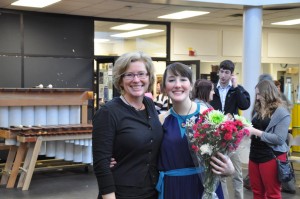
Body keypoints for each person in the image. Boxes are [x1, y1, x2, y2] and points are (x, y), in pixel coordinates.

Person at [157, 62, 235, 199]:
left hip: (204, 187)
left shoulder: (210, 116)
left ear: (191, 84)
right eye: (171, 80)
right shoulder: (160, 121)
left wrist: (229, 169)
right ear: (164, 87)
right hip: (172, 188)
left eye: (183, 79)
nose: (177, 84)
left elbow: (222, 154)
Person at [92, 51, 164, 199]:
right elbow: (101, 165)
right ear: (120, 80)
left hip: (152, 190)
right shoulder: (108, 112)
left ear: (149, 78)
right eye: (129, 75)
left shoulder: (149, 105)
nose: (136, 80)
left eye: (141, 74)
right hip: (122, 193)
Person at [210, 60, 251, 199]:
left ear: (231, 74)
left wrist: (235, 86)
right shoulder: (212, 89)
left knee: (237, 174)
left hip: (233, 137)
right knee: (219, 173)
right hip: (215, 137)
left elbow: (244, 105)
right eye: (221, 71)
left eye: (226, 72)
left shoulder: (236, 89)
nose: (223, 75)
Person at [246, 79, 291, 199]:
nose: (256, 98)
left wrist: (255, 132)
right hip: (255, 154)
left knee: (272, 194)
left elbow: (279, 139)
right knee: (257, 192)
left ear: (267, 93)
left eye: (258, 94)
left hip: (271, 156)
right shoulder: (259, 110)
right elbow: (254, 129)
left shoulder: (282, 112)